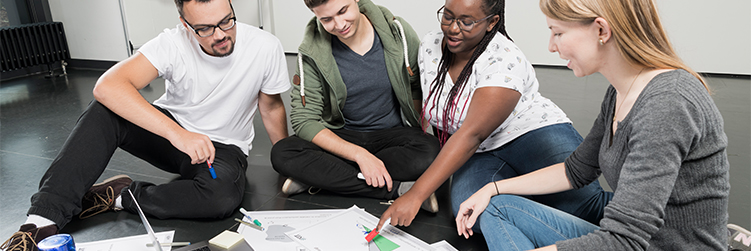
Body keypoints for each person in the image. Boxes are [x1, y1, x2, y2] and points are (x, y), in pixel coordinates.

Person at [1, 0, 290, 250]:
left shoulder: (265, 46)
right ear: (185, 24)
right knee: (105, 109)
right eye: (205, 28)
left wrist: (284, 159)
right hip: (172, 133)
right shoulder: (172, 43)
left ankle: (121, 196)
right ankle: (41, 220)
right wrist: (179, 134)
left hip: (223, 148)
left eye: (226, 21)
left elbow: (271, 105)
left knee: (221, 199)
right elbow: (107, 87)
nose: (221, 35)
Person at [454, 0, 731, 249]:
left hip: (654, 245)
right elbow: (575, 171)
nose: (551, 45)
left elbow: (624, 241)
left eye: (558, 32)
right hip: (634, 241)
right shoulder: (620, 92)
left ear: (601, 30)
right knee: (494, 207)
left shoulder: (667, 103)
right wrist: (492, 189)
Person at [376, 0, 611, 232]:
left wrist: (416, 195)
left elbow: (472, 134)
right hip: (479, 153)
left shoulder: (505, 58)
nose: (453, 28)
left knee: (586, 208)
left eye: (467, 22)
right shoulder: (431, 45)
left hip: (531, 134)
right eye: (447, 16)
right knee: (471, 215)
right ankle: (533, 203)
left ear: (492, 22)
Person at [270, 0, 441, 211]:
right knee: (283, 152)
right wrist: (359, 155)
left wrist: (416, 127)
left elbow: (416, 86)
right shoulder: (311, 50)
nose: (340, 24)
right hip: (342, 135)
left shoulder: (398, 32)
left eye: (343, 11)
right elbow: (304, 120)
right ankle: (399, 189)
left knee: (430, 150)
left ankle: (324, 176)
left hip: (391, 136)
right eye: (327, 19)